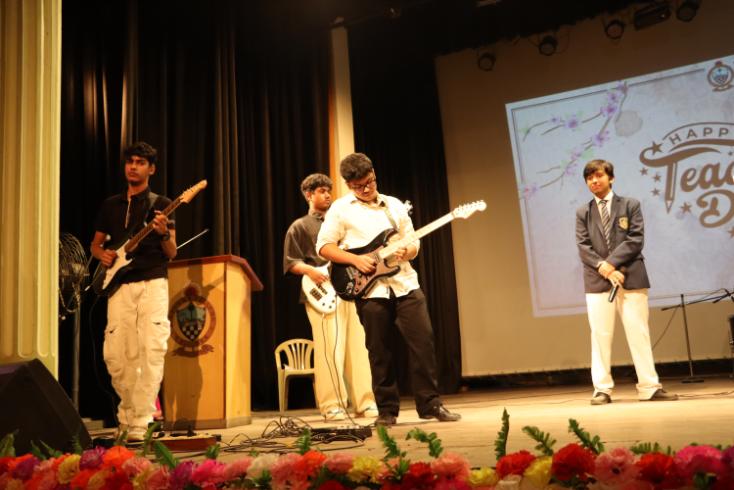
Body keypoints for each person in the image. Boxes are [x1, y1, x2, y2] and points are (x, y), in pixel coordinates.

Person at [316, 153, 461, 426]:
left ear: (374, 173)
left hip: (405, 283)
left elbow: (413, 241)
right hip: (370, 290)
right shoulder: (340, 209)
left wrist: (409, 250)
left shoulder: (394, 205)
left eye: (369, 182)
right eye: (358, 186)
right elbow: (324, 246)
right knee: (379, 351)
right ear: (348, 185)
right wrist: (355, 260)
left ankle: (430, 404)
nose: (366, 189)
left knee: (424, 343)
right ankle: (386, 411)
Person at [90, 141, 177, 440]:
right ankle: (126, 416)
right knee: (117, 354)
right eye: (130, 161)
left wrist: (162, 232)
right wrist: (102, 254)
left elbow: (172, 252)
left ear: (151, 169)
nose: (133, 166)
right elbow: (96, 244)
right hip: (119, 285)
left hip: (152, 282)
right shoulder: (110, 205)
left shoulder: (162, 203)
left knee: (151, 350)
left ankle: (142, 420)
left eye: (140, 162)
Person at [575, 159, 677, 405]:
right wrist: (604, 268)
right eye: (589, 178)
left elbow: (635, 239)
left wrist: (611, 264)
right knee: (600, 336)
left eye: (599, 175)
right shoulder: (583, 212)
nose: (594, 181)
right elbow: (583, 247)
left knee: (638, 333)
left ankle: (649, 387)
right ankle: (602, 389)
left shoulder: (630, 205)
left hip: (631, 275)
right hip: (598, 280)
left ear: (611, 177)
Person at [283, 173, 378, 421]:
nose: (327, 195)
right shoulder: (300, 226)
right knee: (329, 350)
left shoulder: (341, 221)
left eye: (329, 190)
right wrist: (311, 271)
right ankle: (332, 405)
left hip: (350, 290)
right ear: (309, 195)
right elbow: (291, 262)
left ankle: (365, 402)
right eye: (321, 191)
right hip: (321, 294)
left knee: (358, 349)